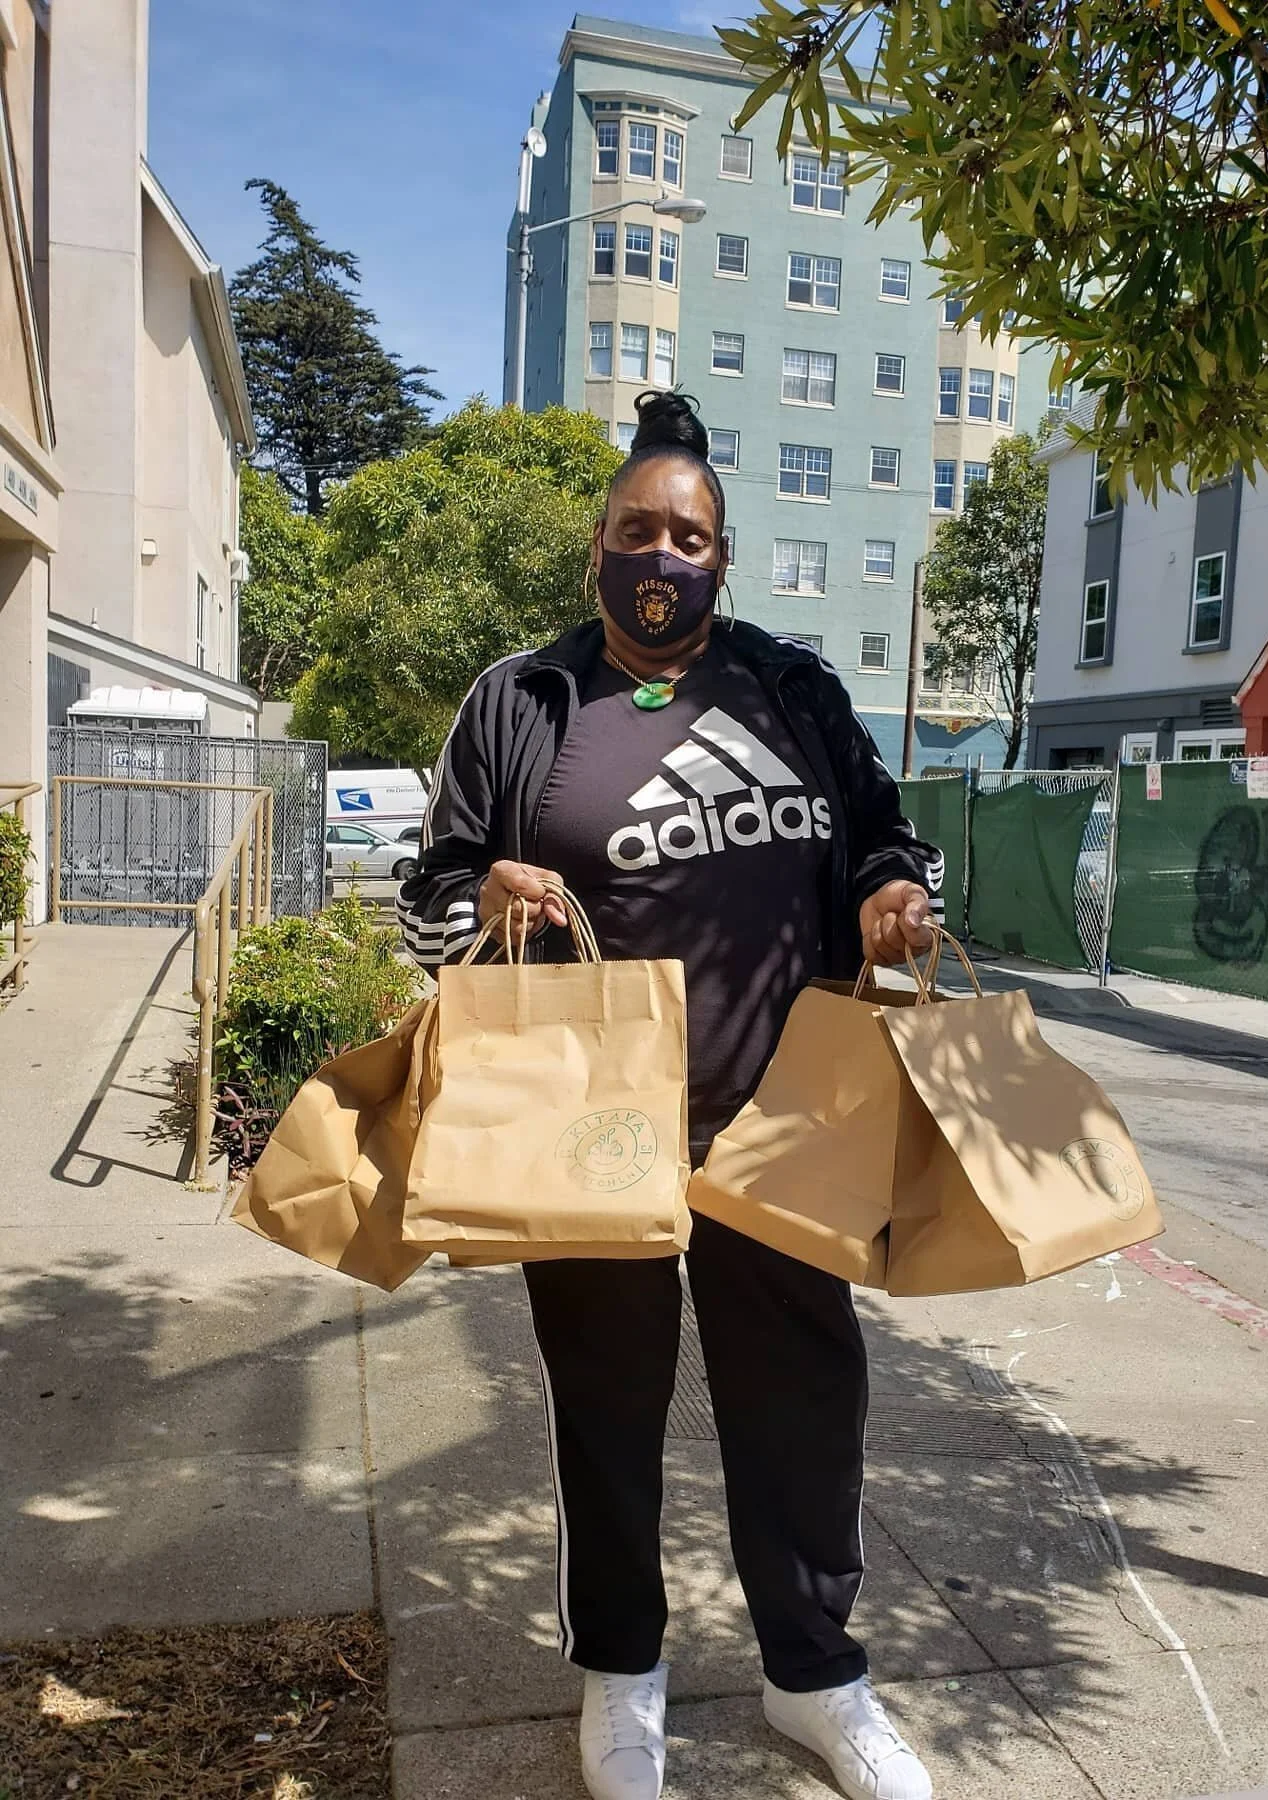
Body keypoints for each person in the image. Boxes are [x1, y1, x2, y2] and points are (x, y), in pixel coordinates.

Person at [398, 390, 941, 1800]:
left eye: (690, 534)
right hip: (595, 1124)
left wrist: (890, 887)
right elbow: (428, 895)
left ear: (724, 555)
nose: (664, 553)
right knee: (606, 1403)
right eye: (639, 528)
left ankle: (816, 1680)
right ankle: (621, 1676)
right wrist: (488, 895)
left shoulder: (795, 690)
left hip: (784, 1118)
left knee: (805, 1403)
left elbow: (885, 834)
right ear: (598, 547)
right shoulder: (526, 700)